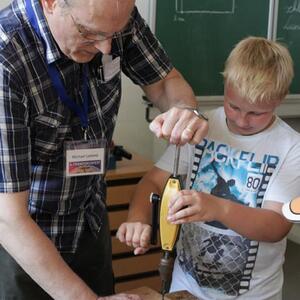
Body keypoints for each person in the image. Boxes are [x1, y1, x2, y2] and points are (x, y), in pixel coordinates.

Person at [0, 0, 208, 299]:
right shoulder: (6, 58)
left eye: (115, 33)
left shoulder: (111, 15)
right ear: (51, 3)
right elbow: (9, 217)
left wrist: (184, 110)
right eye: (89, 33)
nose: (107, 48)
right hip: (24, 243)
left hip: (88, 220)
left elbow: (166, 83)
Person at [117, 36, 300, 299]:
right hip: (186, 287)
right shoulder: (202, 126)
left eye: (256, 113)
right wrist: (138, 218)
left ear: (280, 98)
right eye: (233, 106)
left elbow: (277, 225)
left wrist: (217, 207)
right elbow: (153, 182)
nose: (241, 120)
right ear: (225, 85)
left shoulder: (292, 147)